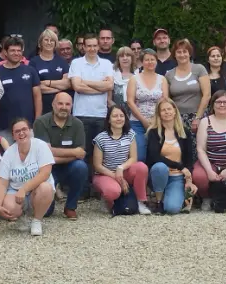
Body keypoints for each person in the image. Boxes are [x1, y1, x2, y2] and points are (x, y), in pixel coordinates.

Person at [0, 118, 57, 236]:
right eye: (17, 131)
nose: (21, 133)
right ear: (13, 136)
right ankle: (22, 216)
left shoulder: (41, 146)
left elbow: (45, 173)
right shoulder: (9, 153)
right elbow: (2, 182)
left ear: (30, 131)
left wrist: (24, 189)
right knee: (8, 207)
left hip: (37, 189)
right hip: (16, 189)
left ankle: (36, 220)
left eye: (24, 129)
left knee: (46, 188)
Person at [32, 93, 88, 219]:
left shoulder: (77, 124)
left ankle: (70, 207)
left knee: (81, 167)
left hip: (69, 166)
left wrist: (54, 153)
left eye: (67, 104)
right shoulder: (41, 122)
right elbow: (45, 152)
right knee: (46, 213)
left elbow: (81, 153)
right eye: (60, 103)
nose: (64, 107)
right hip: (47, 168)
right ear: (53, 105)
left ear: (71, 106)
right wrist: (74, 153)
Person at [69, 33, 115, 180]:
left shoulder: (107, 64)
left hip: (101, 114)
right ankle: (83, 186)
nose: (92, 48)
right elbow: (77, 87)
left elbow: (110, 85)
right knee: (83, 151)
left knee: (99, 152)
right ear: (83, 47)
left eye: (95, 45)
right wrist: (100, 87)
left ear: (98, 46)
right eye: (89, 46)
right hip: (81, 114)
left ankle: (97, 185)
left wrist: (86, 82)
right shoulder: (76, 63)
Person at [91, 105, 151, 215]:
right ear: (108, 119)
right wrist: (116, 177)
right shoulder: (101, 138)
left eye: (121, 116)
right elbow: (97, 166)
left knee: (141, 167)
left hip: (123, 171)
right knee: (112, 192)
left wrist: (120, 168)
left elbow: (133, 158)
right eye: (115, 116)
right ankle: (109, 201)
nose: (119, 119)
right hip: (104, 174)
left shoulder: (130, 134)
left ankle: (140, 201)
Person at [146, 99, 195, 214]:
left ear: (175, 111)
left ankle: (173, 197)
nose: (167, 112)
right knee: (160, 167)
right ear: (159, 114)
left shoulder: (184, 132)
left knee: (172, 209)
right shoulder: (153, 132)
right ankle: (158, 201)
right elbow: (154, 157)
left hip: (176, 177)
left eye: (169, 109)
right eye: (163, 110)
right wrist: (179, 166)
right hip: (159, 174)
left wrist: (188, 180)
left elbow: (189, 158)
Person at [165, 39, 210, 160]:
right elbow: (167, 99)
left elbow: (207, 95)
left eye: (185, 51)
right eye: (179, 52)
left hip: (198, 117)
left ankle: (200, 177)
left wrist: (198, 117)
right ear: (174, 54)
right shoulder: (169, 75)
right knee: (181, 149)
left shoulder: (199, 69)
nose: (182, 55)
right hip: (178, 119)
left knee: (199, 149)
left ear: (189, 53)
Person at [125, 49, 169, 163]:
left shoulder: (162, 79)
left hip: (158, 122)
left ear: (156, 61)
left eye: (152, 59)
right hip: (137, 122)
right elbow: (130, 101)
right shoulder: (134, 79)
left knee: (158, 155)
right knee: (139, 156)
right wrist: (144, 120)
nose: (150, 62)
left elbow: (165, 101)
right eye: (147, 60)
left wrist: (155, 120)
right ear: (142, 62)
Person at [0, 35, 42, 142]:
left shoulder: (30, 71)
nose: (16, 53)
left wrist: (37, 120)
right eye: (12, 50)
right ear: (5, 52)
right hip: (5, 126)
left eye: (19, 50)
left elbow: (37, 96)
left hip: (27, 126)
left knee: (29, 156)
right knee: (6, 156)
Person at [30, 29, 70, 115]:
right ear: (40, 43)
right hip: (42, 106)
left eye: (52, 40)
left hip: (60, 107)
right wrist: (59, 87)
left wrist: (47, 83)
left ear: (55, 43)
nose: (49, 43)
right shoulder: (33, 62)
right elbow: (37, 88)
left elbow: (67, 84)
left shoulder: (62, 61)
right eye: (46, 40)